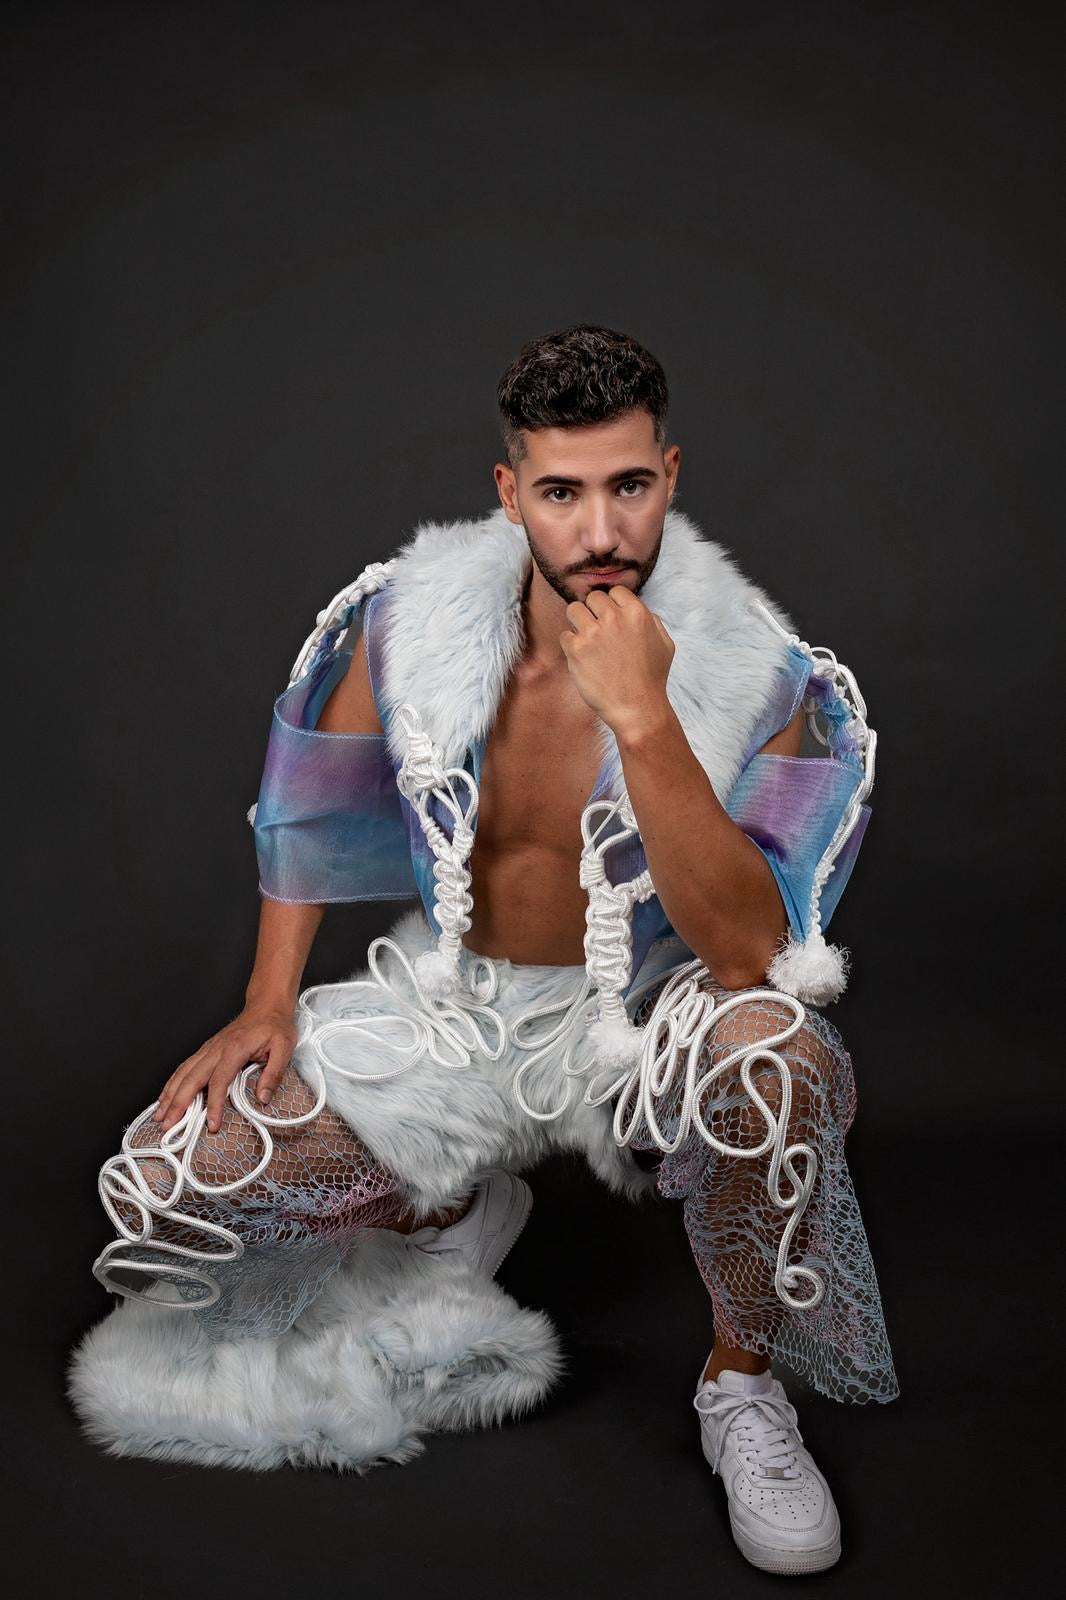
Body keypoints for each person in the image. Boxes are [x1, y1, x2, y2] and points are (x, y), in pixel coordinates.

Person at [76, 324, 898, 1575]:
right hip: (460, 1005)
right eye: (561, 492)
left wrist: (647, 720)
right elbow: (302, 803)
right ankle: (456, 1202)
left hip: (646, 1009)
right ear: (511, 491)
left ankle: (742, 1387)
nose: (600, 530)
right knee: (181, 1172)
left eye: (629, 485)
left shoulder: (759, 673)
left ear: (671, 475)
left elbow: (747, 951)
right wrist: (267, 1000)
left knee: (777, 1058)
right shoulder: (411, 622)